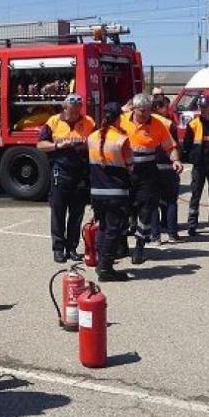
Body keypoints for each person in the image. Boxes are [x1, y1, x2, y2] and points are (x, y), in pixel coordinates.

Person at [120, 94, 183, 264]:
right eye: (142, 111)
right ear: (134, 109)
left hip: (147, 174)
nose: (146, 114)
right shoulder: (121, 120)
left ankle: (140, 247)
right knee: (123, 210)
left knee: (146, 211)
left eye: (148, 110)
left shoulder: (157, 124)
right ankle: (121, 245)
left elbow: (170, 146)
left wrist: (175, 160)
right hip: (125, 173)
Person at [37, 94, 94, 263]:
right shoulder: (53, 121)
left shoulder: (88, 121)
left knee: (77, 214)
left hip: (81, 173)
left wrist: (83, 143)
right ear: (65, 108)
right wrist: (58, 145)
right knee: (58, 212)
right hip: (60, 171)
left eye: (78, 109)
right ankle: (58, 249)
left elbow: (97, 140)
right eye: (72, 110)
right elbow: (40, 145)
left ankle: (72, 248)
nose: (76, 113)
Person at [87, 103, 133, 282]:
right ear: (118, 118)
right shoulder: (122, 139)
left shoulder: (91, 137)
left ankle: (101, 263)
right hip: (116, 192)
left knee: (104, 227)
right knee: (113, 230)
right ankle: (106, 268)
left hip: (96, 192)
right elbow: (130, 165)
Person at [183, 94, 209, 237]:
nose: (203, 110)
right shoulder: (193, 124)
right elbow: (187, 145)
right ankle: (192, 225)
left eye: (205, 107)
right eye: (201, 107)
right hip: (199, 165)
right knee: (196, 194)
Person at [151, 94, 182, 244]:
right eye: (165, 106)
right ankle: (172, 234)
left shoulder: (146, 122)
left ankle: (155, 236)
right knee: (171, 201)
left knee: (153, 203)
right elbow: (175, 146)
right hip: (167, 165)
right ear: (158, 107)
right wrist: (177, 160)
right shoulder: (169, 124)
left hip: (151, 165)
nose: (168, 109)